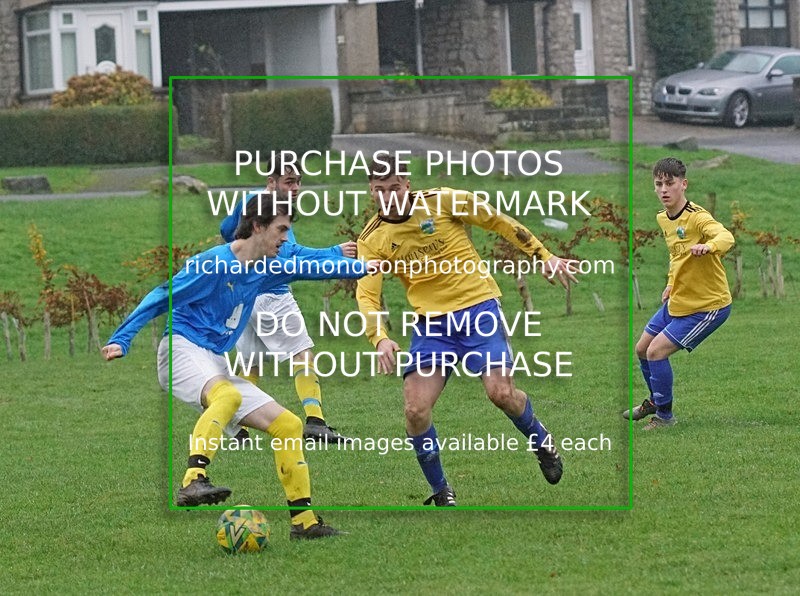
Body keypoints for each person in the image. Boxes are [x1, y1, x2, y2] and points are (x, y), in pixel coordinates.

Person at [102, 194, 379, 538]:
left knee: (288, 425)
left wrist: (365, 267)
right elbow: (161, 295)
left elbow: (309, 267)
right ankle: (193, 480)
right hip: (181, 349)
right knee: (228, 396)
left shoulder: (265, 268)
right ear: (258, 227)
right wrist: (122, 339)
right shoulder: (213, 264)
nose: (286, 238)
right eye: (281, 229)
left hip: (213, 358)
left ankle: (304, 522)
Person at [355, 156, 578, 506]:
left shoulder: (443, 201)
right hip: (432, 325)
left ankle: (541, 441)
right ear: (371, 191)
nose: (389, 197)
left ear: (407, 185)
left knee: (501, 393)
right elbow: (367, 293)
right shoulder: (372, 239)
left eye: (395, 188)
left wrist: (544, 256)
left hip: (478, 309)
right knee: (415, 409)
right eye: (380, 190)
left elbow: (498, 220)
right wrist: (379, 337)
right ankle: (441, 490)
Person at [220, 164, 356, 444]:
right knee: (302, 353)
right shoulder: (273, 210)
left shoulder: (249, 200)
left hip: (243, 294)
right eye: (289, 181)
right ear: (271, 181)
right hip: (272, 294)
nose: (295, 188)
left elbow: (225, 228)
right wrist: (334, 253)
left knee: (251, 363)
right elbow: (288, 255)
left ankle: (237, 427)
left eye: (298, 182)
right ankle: (316, 422)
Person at [625, 157, 734, 429]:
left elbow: (726, 237)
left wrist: (709, 247)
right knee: (642, 349)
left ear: (683, 184)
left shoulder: (697, 217)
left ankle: (664, 417)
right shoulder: (663, 218)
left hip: (708, 306)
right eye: (658, 184)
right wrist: (671, 282)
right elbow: (676, 255)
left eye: (670, 183)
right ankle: (655, 401)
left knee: (656, 352)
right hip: (680, 298)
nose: (664, 189)